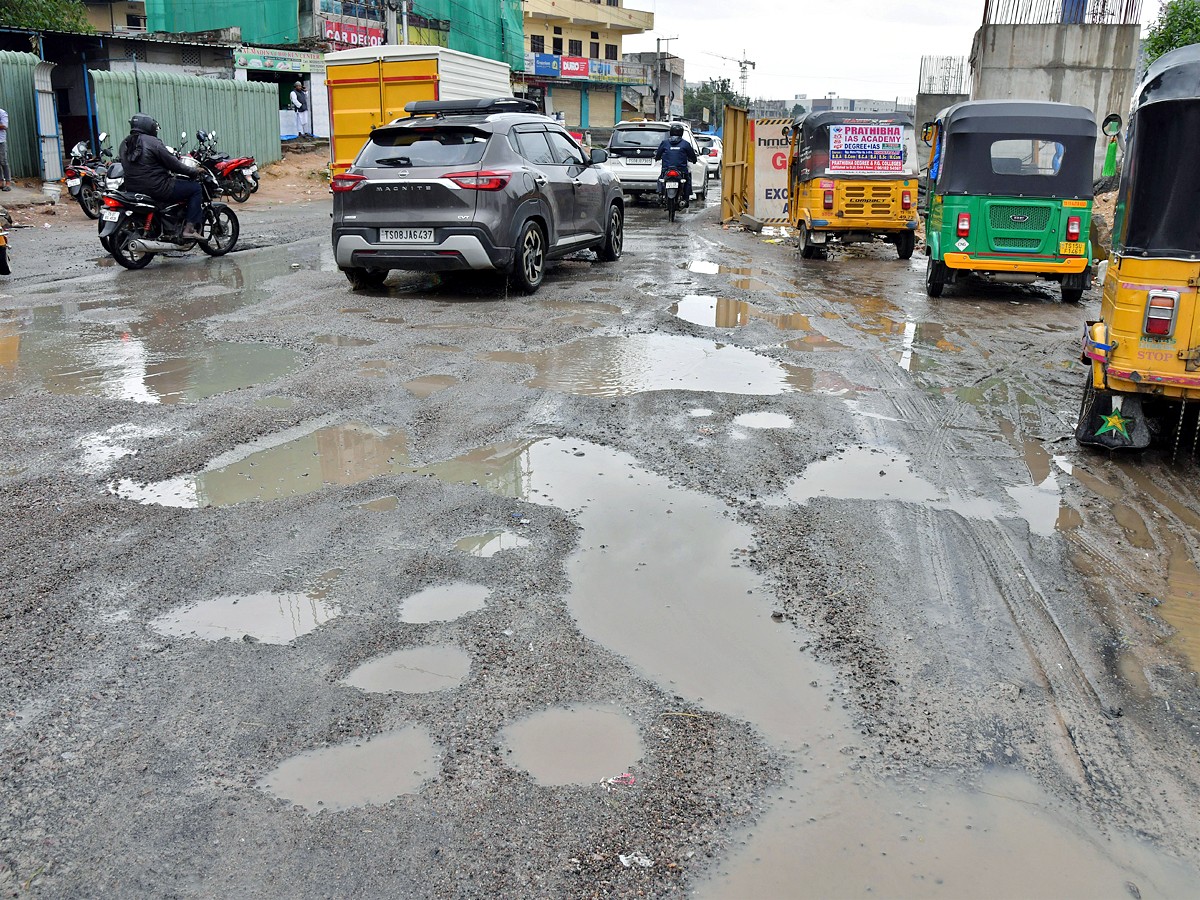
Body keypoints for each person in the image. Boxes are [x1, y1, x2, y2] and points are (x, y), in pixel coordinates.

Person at [119, 113, 204, 240]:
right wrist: (193, 171)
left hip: (132, 188)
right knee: (195, 188)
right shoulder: (153, 142)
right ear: (148, 126)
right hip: (158, 187)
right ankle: (189, 229)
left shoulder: (124, 143)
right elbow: (174, 165)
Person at [654, 122, 698, 209]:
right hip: (681, 170)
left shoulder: (665, 143)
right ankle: (686, 198)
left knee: (660, 179)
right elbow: (692, 156)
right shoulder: (685, 144)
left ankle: (660, 194)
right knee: (687, 180)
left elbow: (658, 154)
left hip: (666, 169)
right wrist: (694, 160)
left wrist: (657, 158)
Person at [0, 106, 11, 192]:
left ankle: (8, 183)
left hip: (1, 141)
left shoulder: (2, 113)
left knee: (3, 161)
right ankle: (1, 182)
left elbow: (4, 126)